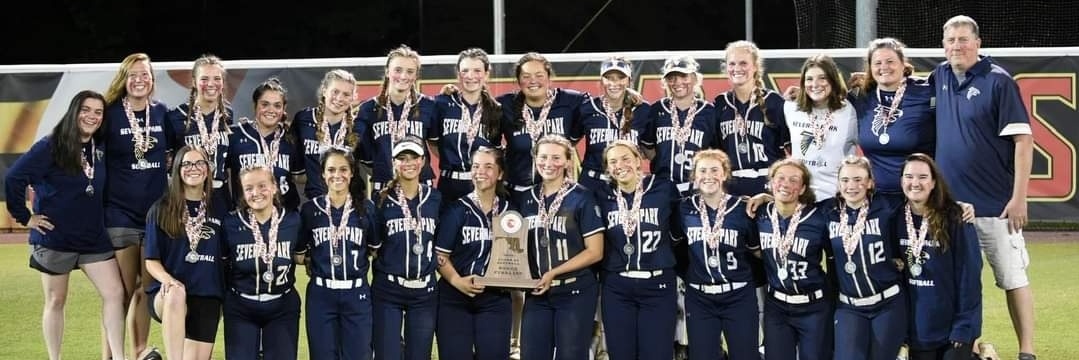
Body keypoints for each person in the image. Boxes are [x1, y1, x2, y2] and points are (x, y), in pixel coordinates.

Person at [932, 15, 1036, 360]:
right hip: (951, 208)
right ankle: (973, 347)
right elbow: (902, 87)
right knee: (956, 283)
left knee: (1012, 277)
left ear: (978, 43)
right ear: (943, 46)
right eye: (950, 40)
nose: (957, 46)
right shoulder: (940, 76)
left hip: (995, 205)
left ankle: (1027, 351)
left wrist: (1019, 198)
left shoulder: (998, 81)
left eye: (963, 39)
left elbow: (1023, 141)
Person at [4, 90, 127, 360]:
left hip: (93, 238)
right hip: (55, 239)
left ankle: (119, 357)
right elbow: (14, 178)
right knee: (56, 300)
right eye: (86, 110)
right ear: (74, 111)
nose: (92, 116)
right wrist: (26, 218)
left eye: (98, 112)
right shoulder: (51, 146)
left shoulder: (99, 146)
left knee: (115, 293)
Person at [101, 52, 169, 360]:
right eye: (133, 75)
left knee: (146, 287)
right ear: (123, 79)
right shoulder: (110, 114)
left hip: (155, 215)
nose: (140, 80)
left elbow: (177, 152)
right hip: (120, 214)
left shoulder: (162, 113)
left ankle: (139, 351)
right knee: (122, 291)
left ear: (152, 80)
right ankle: (111, 356)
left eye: (145, 74)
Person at [518, 134, 604, 359]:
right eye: (543, 157)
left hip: (575, 290)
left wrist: (553, 273)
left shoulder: (582, 197)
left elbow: (595, 251)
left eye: (556, 158)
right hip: (537, 293)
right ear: (535, 159)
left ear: (567, 161)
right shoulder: (526, 198)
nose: (549, 163)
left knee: (571, 355)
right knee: (532, 354)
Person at [673, 149, 761, 360]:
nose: (708, 176)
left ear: (725, 174)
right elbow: (674, 245)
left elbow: (757, 251)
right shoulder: (683, 209)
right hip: (700, 297)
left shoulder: (743, 208)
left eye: (714, 170)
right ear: (694, 177)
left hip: (738, 294)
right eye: (702, 171)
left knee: (745, 355)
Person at [595, 140, 678, 360]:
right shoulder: (601, 195)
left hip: (658, 283)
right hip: (617, 286)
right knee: (621, 353)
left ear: (638, 160)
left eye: (625, 158)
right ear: (607, 168)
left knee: (657, 354)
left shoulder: (664, 188)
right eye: (613, 161)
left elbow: (680, 229)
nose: (620, 165)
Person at [897, 153, 982, 360]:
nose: (915, 183)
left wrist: (964, 324)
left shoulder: (955, 217)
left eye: (923, 177)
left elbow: (969, 275)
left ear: (934, 182)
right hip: (918, 329)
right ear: (901, 181)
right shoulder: (894, 217)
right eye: (909, 176)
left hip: (953, 328)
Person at [143, 146, 225, 360]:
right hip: (168, 296)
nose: (193, 168)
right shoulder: (161, 208)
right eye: (186, 164)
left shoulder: (219, 206)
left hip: (207, 294)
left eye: (199, 163)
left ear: (207, 169)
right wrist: (168, 281)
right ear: (177, 170)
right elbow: (151, 261)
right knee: (177, 294)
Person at [434, 146, 514, 360]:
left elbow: (518, 258)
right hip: (454, 297)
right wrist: (457, 281)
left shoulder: (510, 213)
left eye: (488, 167)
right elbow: (440, 256)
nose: (480, 172)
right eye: (476, 166)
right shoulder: (456, 210)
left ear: (500, 174)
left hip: (495, 298)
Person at [298, 148, 377, 360]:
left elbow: (374, 249)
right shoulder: (310, 210)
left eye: (343, 169)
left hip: (356, 293)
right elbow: (299, 254)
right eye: (331, 170)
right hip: (321, 294)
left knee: (358, 355)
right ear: (323, 174)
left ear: (352, 172)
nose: (337, 175)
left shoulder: (367, 209)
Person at [826, 156, 907, 360]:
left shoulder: (888, 206)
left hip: (887, 303)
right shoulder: (827, 212)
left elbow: (923, 204)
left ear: (870, 182)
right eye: (845, 180)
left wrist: (958, 205)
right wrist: (765, 198)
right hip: (849, 306)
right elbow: (792, 207)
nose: (851, 186)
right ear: (838, 183)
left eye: (858, 179)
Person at [370, 135, 442, 360]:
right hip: (388, 289)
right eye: (402, 158)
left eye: (413, 157)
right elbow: (374, 246)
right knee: (387, 355)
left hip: (424, 291)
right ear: (394, 163)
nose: (408, 163)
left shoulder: (436, 198)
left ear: (423, 161)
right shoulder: (380, 200)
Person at [221, 165, 303, 360]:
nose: (256, 193)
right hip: (241, 306)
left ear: (274, 187)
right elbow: (223, 266)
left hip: (282, 305)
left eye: (262, 186)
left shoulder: (293, 221)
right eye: (249, 188)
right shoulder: (231, 224)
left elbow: (302, 256)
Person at [756, 158, 833, 360]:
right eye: (780, 178)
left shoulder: (819, 217)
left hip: (813, 306)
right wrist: (762, 198)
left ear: (803, 188)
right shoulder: (760, 214)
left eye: (793, 180)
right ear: (771, 182)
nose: (786, 184)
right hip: (777, 306)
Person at [849, 38, 935, 195]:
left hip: (918, 195)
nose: (884, 67)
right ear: (870, 68)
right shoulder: (860, 96)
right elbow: (828, 97)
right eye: (877, 63)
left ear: (903, 64)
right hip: (875, 197)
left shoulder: (926, 92)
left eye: (890, 61)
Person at [497, 52, 589, 194]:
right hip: (516, 192)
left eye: (539, 75)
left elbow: (599, 106)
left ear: (549, 77)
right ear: (518, 80)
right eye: (526, 76)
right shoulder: (505, 104)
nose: (533, 81)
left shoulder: (569, 101)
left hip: (557, 193)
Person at [358, 45, 439, 193]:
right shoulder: (368, 109)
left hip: (420, 184)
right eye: (398, 70)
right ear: (387, 71)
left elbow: (435, 144)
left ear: (416, 75)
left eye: (410, 71)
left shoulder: (428, 105)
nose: (403, 76)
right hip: (384, 186)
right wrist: (384, 169)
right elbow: (365, 157)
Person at [714, 40, 789, 197]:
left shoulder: (774, 102)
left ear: (755, 66)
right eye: (732, 64)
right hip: (731, 188)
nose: (737, 69)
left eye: (743, 63)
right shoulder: (720, 103)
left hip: (769, 185)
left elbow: (790, 150)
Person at [164, 54, 234, 210]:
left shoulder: (227, 114)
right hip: (187, 194)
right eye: (204, 79)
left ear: (223, 83)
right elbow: (168, 161)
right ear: (194, 82)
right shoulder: (175, 116)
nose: (211, 84)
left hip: (220, 195)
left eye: (217, 78)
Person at [784, 54, 858, 201]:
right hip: (799, 197)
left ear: (833, 80)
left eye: (822, 78)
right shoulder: (790, 108)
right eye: (809, 79)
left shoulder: (850, 111)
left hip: (836, 198)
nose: (815, 84)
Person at [434, 48, 503, 204]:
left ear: (486, 74)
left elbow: (495, 149)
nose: (470, 76)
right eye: (465, 71)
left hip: (483, 183)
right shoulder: (442, 104)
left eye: (477, 71)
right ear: (458, 74)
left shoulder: (495, 109)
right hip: (449, 184)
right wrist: (452, 160)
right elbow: (433, 142)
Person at [642, 55, 718, 197]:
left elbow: (717, 154)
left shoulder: (709, 112)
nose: (677, 82)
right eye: (672, 78)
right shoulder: (656, 110)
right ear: (665, 82)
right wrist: (663, 162)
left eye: (684, 76)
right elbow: (648, 146)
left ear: (695, 78)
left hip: (697, 189)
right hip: (661, 188)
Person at [577, 57, 651, 194]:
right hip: (593, 184)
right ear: (601, 80)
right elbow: (569, 142)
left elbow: (649, 150)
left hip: (627, 183)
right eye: (609, 78)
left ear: (629, 80)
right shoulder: (588, 108)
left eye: (620, 78)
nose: (614, 83)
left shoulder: (643, 109)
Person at [227, 78, 303, 210]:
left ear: (283, 108)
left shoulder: (291, 138)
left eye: (277, 105)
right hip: (245, 215)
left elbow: (300, 176)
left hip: (284, 215)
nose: (271, 110)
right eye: (265, 104)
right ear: (255, 105)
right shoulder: (235, 135)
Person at [294, 69, 362, 200]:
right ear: (324, 91)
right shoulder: (303, 119)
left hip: (349, 203)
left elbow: (368, 164)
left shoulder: (359, 126)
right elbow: (297, 171)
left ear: (352, 98)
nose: (339, 98)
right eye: (335, 92)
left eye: (346, 94)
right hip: (315, 202)